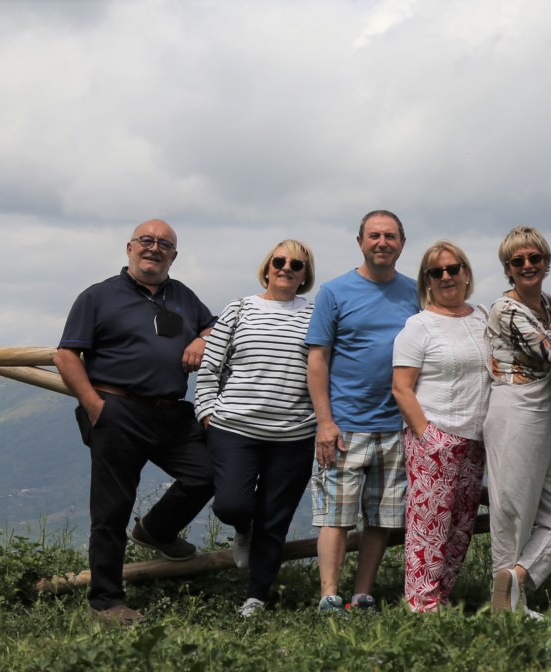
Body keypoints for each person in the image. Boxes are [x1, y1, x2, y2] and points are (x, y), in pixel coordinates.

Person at [53, 219, 215, 626]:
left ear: (173, 256)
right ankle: (106, 603)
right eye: (146, 240)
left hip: (172, 413)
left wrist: (202, 338)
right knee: (112, 511)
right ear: (130, 248)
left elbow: (213, 325)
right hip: (117, 410)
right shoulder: (98, 296)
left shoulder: (183, 296)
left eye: (164, 244)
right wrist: (95, 405)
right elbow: (65, 355)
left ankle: (156, 530)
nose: (154, 248)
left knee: (209, 473)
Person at [194, 240, 317, 618]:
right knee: (231, 504)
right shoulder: (240, 308)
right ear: (267, 267)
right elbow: (211, 366)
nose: (286, 268)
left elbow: (325, 369)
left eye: (296, 264)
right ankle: (242, 527)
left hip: (294, 434)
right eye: (279, 261)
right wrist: (206, 411)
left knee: (274, 520)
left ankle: (256, 597)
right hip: (234, 428)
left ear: (305, 275)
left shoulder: (316, 315)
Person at [306, 210, 419, 613]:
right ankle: (329, 595)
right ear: (360, 242)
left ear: (402, 244)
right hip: (345, 425)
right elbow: (317, 359)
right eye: (374, 236)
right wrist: (325, 423)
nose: (382, 243)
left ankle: (362, 594)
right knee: (335, 516)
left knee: (381, 518)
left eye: (390, 236)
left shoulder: (415, 293)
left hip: (396, 424)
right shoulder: (335, 292)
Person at [484, 226, 551, 618]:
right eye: (517, 261)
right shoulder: (505, 310)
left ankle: (514, 581)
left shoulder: (546, 305)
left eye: (534, 258)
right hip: (515, 411)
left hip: (549, 413)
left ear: (546, 261)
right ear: (507, 268)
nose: (527, 265)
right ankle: (507, 609)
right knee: (512, 511)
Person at [391, 241, 490, 612]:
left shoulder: (482, 317)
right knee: (429, 525)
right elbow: (401, 388)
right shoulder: (419, 326)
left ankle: (442, 596)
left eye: (453, 268)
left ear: (466, 273)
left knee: (461, 524)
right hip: (435, 436)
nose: (446, 276)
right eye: (437, 272)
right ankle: (421, 602)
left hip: (475, 438)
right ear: (427, 281)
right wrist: (430, 437)